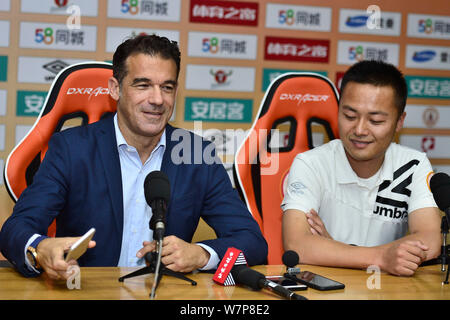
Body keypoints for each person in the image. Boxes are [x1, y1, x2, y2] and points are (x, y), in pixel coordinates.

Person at [0, 34, 267, 279]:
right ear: (115, 89)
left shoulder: (197, 155)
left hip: (165, 294)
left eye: (167, 87)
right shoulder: (71, 149)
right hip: (88, 291)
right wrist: (39, 247)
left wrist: (201, 254)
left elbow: (253, 242)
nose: (157, 99)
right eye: (143, 85)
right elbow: (16, 229)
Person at [282, 60, 441, 277]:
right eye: (349, 116)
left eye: (375, 121)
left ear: (399, 121)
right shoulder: (311, 163)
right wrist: (382, 258)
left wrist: (334, 249)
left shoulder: (413, 164)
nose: (359, 129)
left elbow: (430, 241)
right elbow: (297, 244)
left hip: (386, 291)